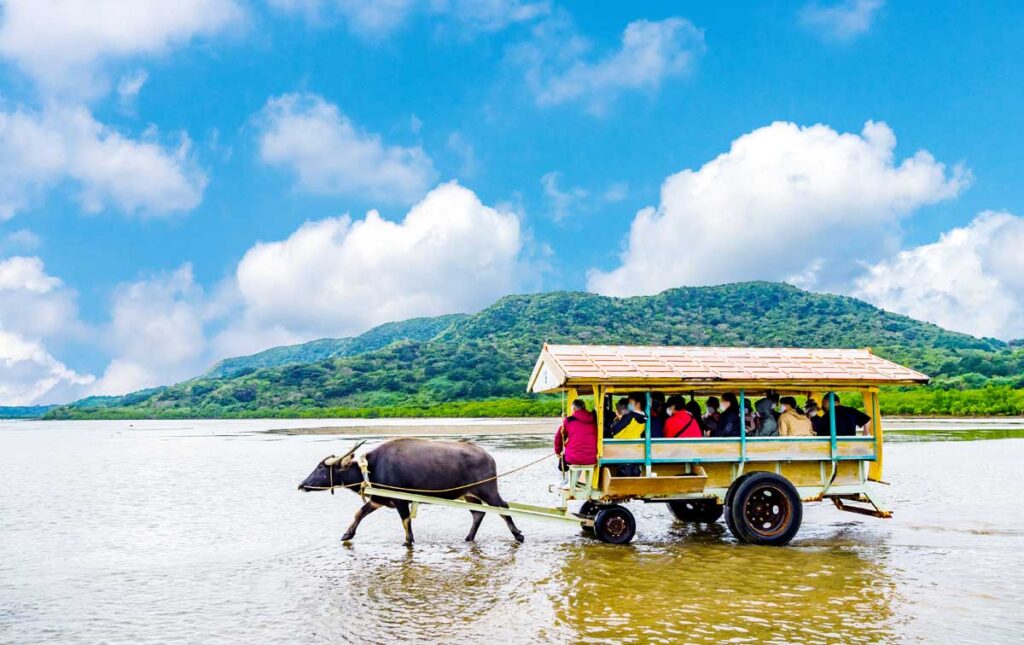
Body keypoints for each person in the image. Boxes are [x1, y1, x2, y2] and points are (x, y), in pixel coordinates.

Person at [553, 399, 597, 471]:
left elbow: (559, 437)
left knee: (562, 465)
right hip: (592, 458)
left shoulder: (569, 420)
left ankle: (566, 481)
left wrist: (558, 451)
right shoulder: (594, 418)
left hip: (573, 458)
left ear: (573, 408)